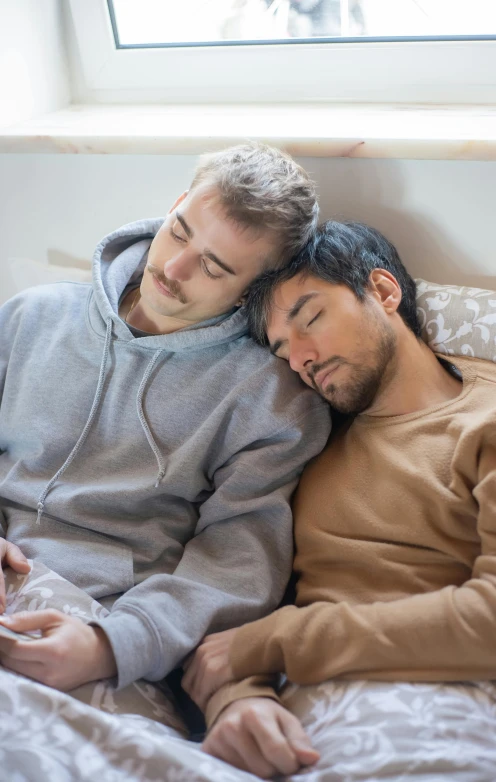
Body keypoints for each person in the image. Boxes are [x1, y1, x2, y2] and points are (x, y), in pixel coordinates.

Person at [183, 220, 496, 780]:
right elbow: (232, 596)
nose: (301, 360)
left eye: (311, 319)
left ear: (385, 292)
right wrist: (239, 701)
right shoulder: (296, 437)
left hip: (452, 698)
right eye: (282, 349)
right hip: (303, 719)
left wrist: (274, 643)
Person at [0, 144, 330, 698]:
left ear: (253, 290)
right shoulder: (30, 315)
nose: (173, 269)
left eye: (213, 266)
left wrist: (113, 644)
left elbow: (239, 559)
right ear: (176, 204)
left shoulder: (271, 401)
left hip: (103, 624)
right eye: (180, 232)